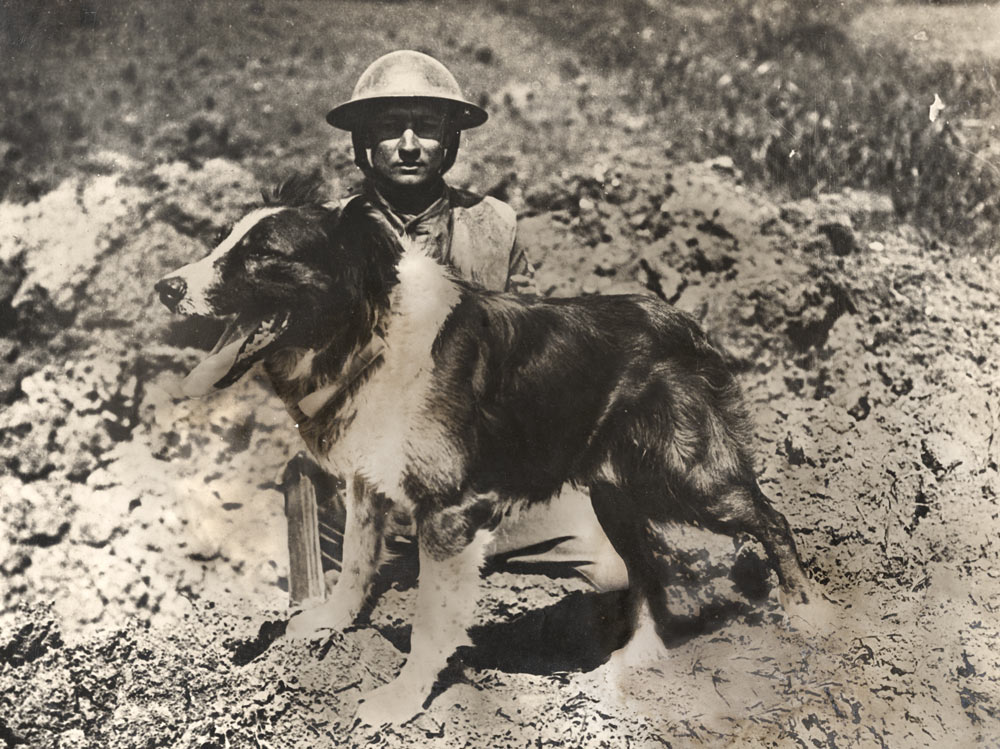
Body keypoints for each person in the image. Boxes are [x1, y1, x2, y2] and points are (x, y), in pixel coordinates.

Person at [286, 50, 626, 602]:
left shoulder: (494, 225)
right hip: (370, 486)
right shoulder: (323, 236)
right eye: (391, 128)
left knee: (611, 577)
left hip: (485, 470)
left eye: (428, 127)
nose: (410, 144)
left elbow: (529, 353)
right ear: (361, 145)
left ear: (453, 140)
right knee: (330, 621)